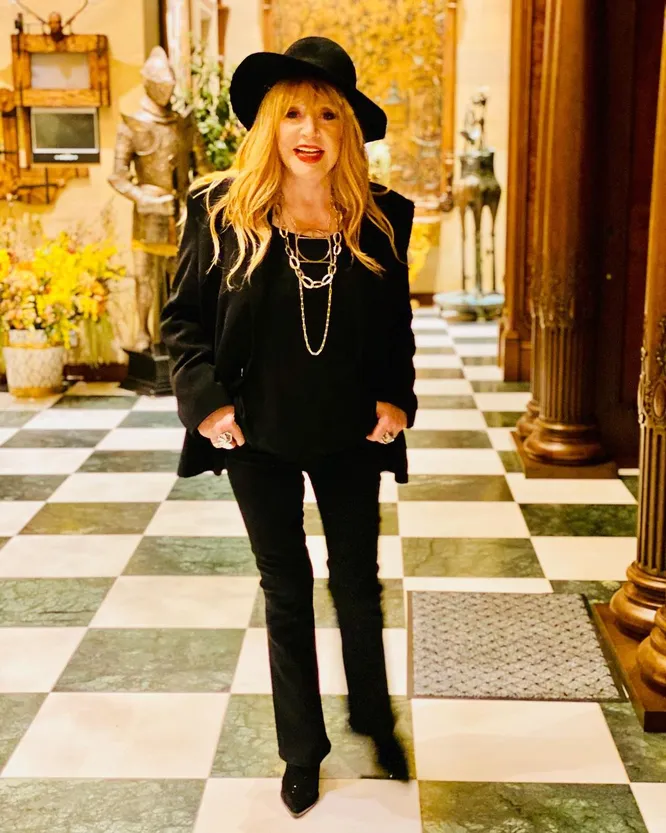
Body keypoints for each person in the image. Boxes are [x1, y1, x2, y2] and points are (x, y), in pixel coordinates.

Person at [161, 36, 417, 819]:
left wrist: (396, 397)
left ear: (347, 131)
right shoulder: (220, 213)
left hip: (349, 433)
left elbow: (395, 330)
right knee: (287, 587)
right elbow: (182, 323)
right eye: (295, 113)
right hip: (256, 435)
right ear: (269, 123)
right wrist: (206, 403)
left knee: (357, 582)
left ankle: (373, 717)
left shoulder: (382, 220)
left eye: (329, 115)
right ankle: (303, 751)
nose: (311, 130)